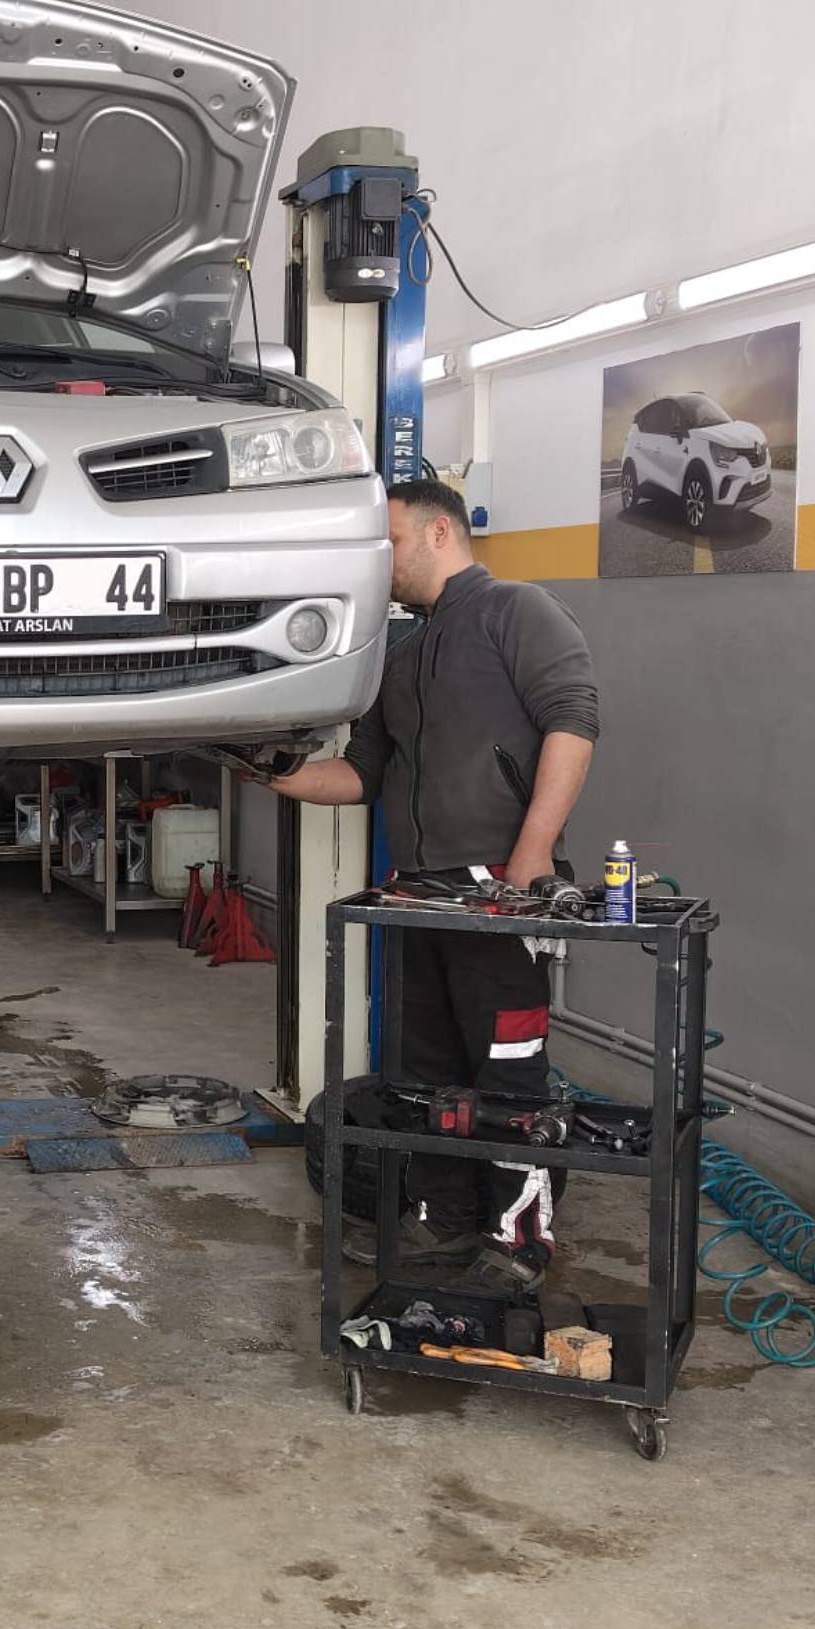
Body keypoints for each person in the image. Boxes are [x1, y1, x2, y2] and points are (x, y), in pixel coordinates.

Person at [266, 475, 599, 1275]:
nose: (380, 561)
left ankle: (519, 1241)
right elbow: (359, 776)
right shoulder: (402, 651)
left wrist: (531, 854)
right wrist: (265, 768)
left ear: (439, 531)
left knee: (508, 1073)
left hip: (498, 887)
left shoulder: (517, 609)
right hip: (418, 894)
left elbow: (573, 721)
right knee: (425, 1075)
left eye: (390, 543)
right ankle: (442, 1218)